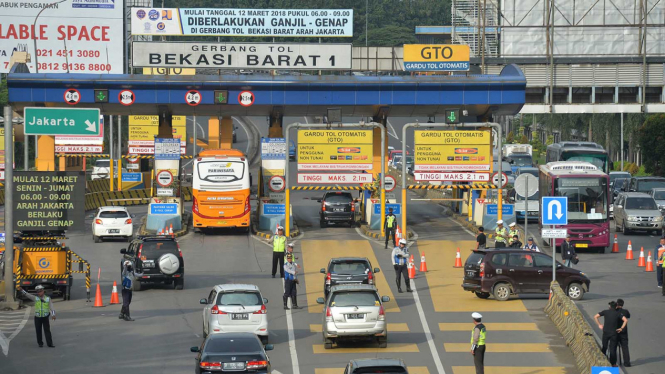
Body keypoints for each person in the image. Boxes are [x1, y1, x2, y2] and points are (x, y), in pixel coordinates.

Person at [594, 301, 628, 367]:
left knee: (604, 347)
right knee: (613, 348)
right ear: (616, 307)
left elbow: (595, 316)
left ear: (609, 306)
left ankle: (602, 361)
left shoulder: (605, 312)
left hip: (606, 332)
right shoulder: (618, 313)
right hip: (614, 333)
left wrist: (599, 324)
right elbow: (625, 320)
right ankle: (613, 363)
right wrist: (621, 328)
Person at [616, 299, 631, 367]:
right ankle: (627, 363)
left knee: (613, 346)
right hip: (623, 331)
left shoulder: (615, 311)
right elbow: (628, 316)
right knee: (625, 347)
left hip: (616, 331)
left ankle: (613, 361)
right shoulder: (625, 311)